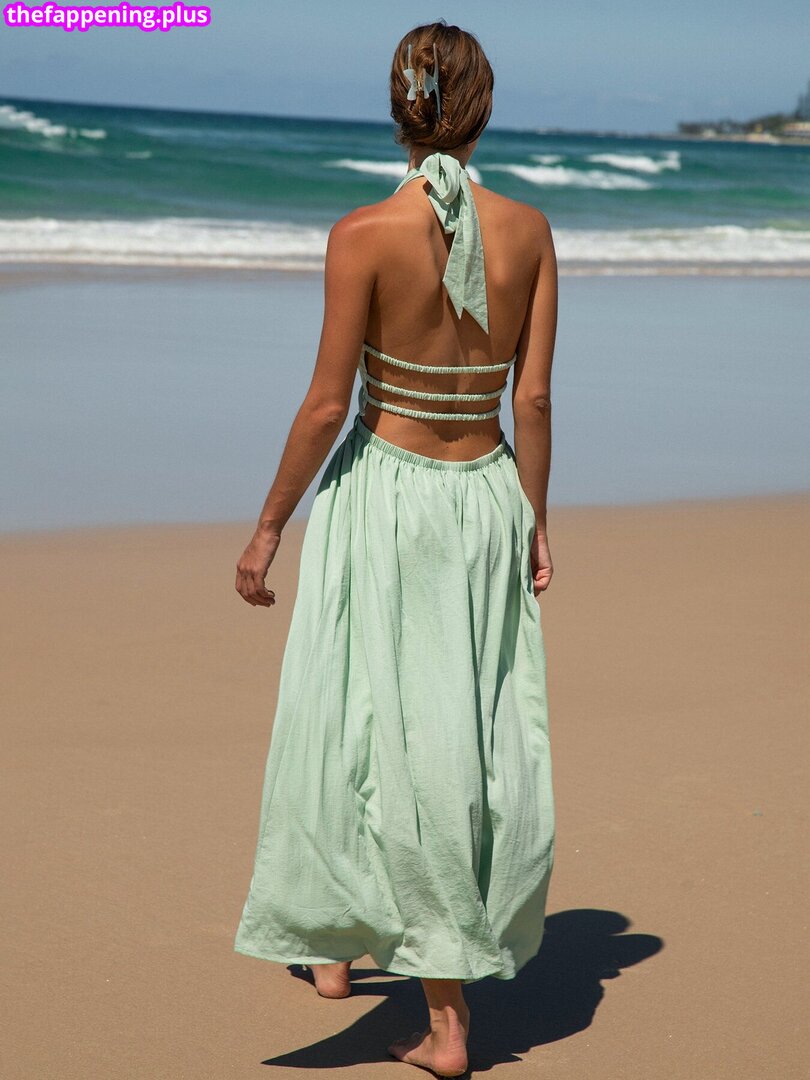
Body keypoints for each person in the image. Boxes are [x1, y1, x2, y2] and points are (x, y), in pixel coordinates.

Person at [233, 19, 557, 1080]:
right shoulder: (532, 231)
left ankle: (446, 1021)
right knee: (457, 732)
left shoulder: (363, 232)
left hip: (385, 496)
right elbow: (533, 399)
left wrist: (269, 526)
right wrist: (536, 518)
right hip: (485, 495)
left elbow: (329, 405)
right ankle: (337, 948)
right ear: (484, 109)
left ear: (397, 107)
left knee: (363, 722)